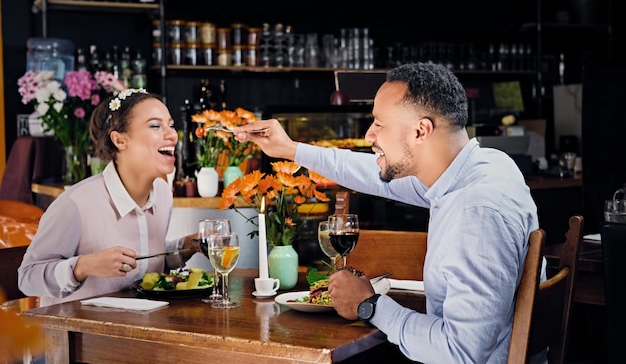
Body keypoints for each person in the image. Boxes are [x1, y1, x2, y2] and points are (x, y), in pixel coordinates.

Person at [235, 62, 542, 364]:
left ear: (421, 131)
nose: (370, 136)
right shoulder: (485, 167)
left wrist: (368, 305)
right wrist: (291, 150)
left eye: (379, 124)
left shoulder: (476, 214)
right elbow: (371, 173)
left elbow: (460, 352)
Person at [18, 89, 200, 307]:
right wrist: (83, 266)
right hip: (77, 335)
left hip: (143, 328)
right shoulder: (75, 204)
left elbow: (141, 265)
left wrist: (185, 247)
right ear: (119, 140)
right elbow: (27, 278)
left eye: (170, 124)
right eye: (155, 125)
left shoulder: (162, 194)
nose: (172, 134)